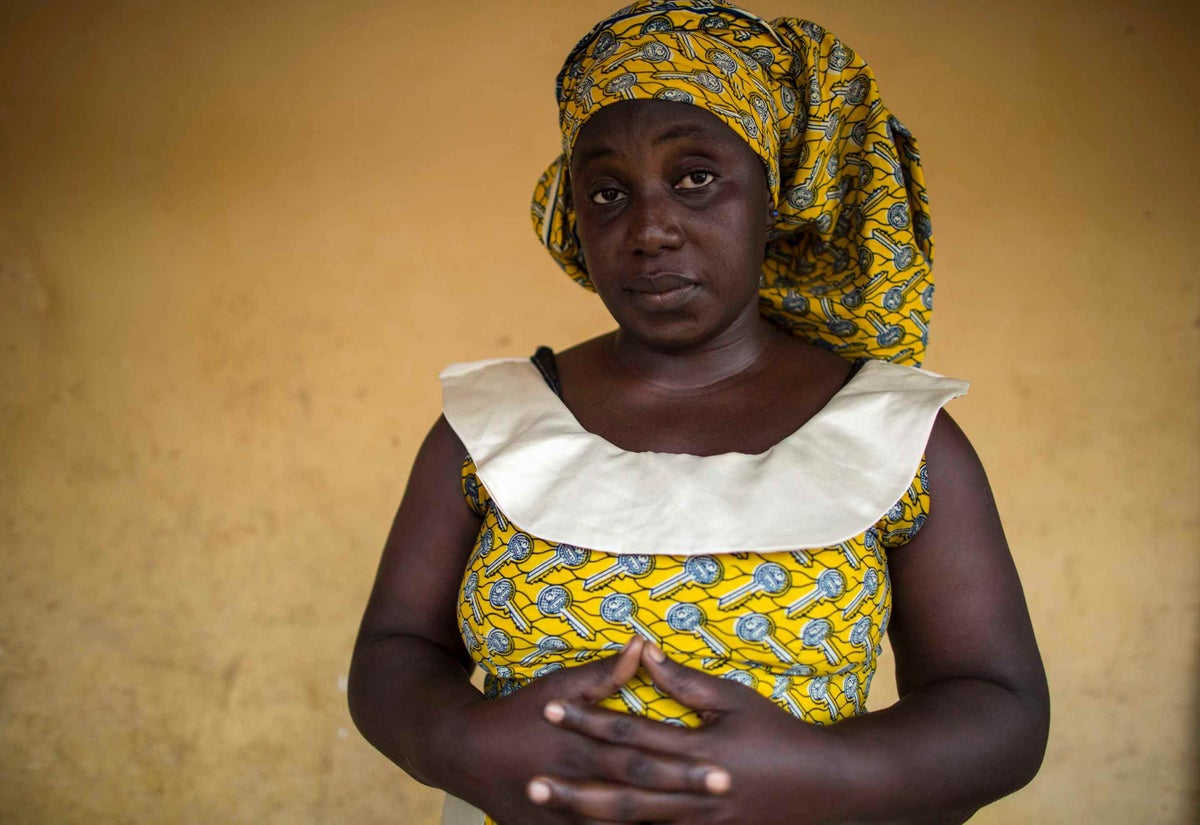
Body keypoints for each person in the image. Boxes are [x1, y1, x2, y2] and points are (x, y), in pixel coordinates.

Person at [348, 2, 1050, 823]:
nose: (650, 228)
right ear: (575, 214)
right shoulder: (492, 424)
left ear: (771, 196)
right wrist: (466, 740)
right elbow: (394, 653)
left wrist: (822, 771)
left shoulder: (894, 434)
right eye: (607, 192)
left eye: (696, 178)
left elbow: (1000, 706)